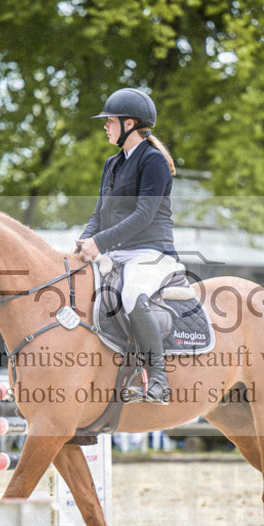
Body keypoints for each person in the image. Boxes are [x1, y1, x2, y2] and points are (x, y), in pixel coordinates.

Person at [74, 87, 178, 405]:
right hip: (116, 252)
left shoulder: (153, 161)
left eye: (110, 121)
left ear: (129, 124)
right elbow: (99, 215)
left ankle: (158, 379)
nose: (105, 126)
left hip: (151, 252)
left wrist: (100, 242)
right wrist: (82, 244)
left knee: (131, 294)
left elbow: (144, 215)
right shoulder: (112, 163)